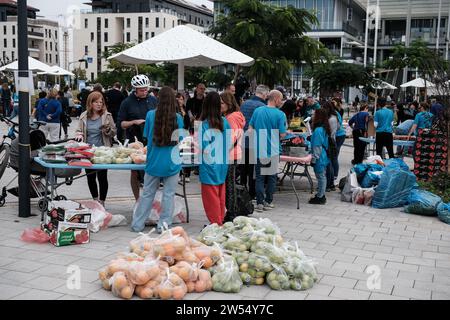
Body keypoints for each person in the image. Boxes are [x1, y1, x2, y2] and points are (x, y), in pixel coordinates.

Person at [131, 87, 185, 233]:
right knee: (168, 195)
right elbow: (181, 141)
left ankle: (137, 224)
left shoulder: (150, 115)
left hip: (153, 161)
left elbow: (147, 137)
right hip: (172, 163)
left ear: (158, 99)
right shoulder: (178, 118)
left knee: (147, 194)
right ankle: (164, 225)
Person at [117, 74, 158, 201]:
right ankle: (137, 200)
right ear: (135, 89)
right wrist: (134, 122)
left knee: (151, 171)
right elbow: (121, 124)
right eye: (142, 90)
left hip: (151, 140)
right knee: (134, 171)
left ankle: (151, 200)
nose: (145, 92)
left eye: (146, 89)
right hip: (135, 141)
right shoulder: (127, 102)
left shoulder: (152, 100)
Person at [75, 91, 116, 207]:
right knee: (90, 177)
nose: (99, 104)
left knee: (102, 177)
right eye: (96, 102)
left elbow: (114, 132)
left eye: (101, 102)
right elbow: (78, 130)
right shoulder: (84, 116)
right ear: (90, 103)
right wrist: (79, 135)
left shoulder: (107, 116)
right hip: (88, 152)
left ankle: (102, 202)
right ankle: (95, 200)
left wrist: (108, 130)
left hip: (103, 152)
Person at [249, 90, 287, 212]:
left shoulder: (258, 111)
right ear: (276, 99)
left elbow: (250, 128)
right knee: (271, 177)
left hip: (259, 148)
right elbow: (282, 134)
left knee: (259, 177)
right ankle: (268, 201)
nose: (281, 102)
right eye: (280, 99)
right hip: (273, 150)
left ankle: (259, 203)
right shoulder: (280, 114)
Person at [198, 91, 231, 225]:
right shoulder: (225, 122)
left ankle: (216, 224)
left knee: (210, 196)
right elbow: (229, 143)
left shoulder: (203, 125)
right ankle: (220, 220)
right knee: (220, 194)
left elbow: (203, 148)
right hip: (222, 163)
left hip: (208, 164)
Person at [239, 85, 269, 200]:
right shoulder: (262, 106)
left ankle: (241, 190)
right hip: (255, 141)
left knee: (243, 169)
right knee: (253, 170)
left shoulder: (244, 104)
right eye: (267, 95)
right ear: (264, 94)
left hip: (243, 140)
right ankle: (251, 193)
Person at [220, 91, 245, 221]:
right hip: (236, 153)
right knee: (231, 184)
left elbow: (232, 137)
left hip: (231, 154)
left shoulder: (231, 118)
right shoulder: (237, 115)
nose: (220, 105)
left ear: (229, 104)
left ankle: (231, 213)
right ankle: (232, 210)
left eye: (222, 103)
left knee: (229, 186)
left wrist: (222, 150)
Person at [309, 108, 330, 205]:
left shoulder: (318, 130)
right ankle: (321, 194)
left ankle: (320, 196)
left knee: (321, 176)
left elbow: (317, 146)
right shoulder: (323, 128)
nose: (312, 116)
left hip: (320, 157)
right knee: (322, 176)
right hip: (323, 155)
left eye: (314, 114)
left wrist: (314, 159)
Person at [176, 92, 192, 183]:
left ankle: (186, 174)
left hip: (186, 132)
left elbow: (189, 121)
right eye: (178, 99)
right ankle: (178, 173)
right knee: (178, 154)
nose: (180, 101)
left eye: (182, 99)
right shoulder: (174, 110)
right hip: (177, 134)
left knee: (186, 153)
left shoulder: (186, 109)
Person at [322, 101, 338, 191]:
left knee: (328, 164)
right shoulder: (334, 117)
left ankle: (328, 184)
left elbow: (328, 132)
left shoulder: (330, 119)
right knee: (330, 163)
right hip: (332, 140)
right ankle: (330, 184)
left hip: (329, 141)